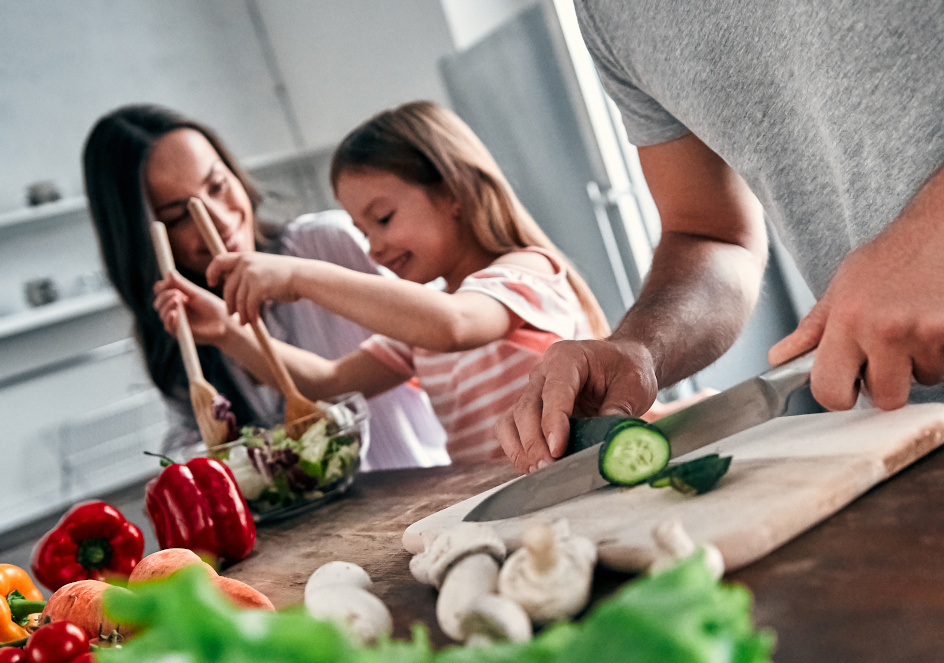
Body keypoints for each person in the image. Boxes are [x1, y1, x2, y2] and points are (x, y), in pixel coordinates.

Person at [497, 0, 944, 472]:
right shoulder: (606, 15)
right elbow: (710, 234)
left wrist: (937, 236)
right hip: (901, 434)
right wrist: (641, 349)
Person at [159, 100, 649, 463]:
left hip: (578, 488)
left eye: (384, 218)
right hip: (510, 508)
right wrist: (226, 329)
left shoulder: (525, 272)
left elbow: (454, 325)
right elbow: (325, 383)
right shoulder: (420, 328)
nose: (372, 246)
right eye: (362, 229)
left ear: (455, 190)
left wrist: (299, 274)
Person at [83, 103, 450, 470]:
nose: (219, 219)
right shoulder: (180, 327)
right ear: (143, 243)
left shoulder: (328, 244)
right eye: (180, 217)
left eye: (217, 185)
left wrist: (293, 283)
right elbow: (189, 447)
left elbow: (437, 329)